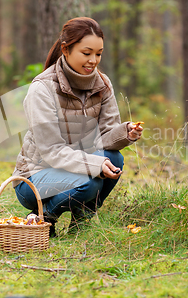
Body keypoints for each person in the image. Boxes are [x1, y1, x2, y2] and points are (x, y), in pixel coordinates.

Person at [12, 17, 143, 236]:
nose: (93, 60)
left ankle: (81, 225)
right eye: (86, 53)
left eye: (98, 54)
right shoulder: (42, 89)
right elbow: (52, 151)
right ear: (66, 49)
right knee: (90, 183)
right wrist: (95, 164)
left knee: (115, 159)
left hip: (77, 166)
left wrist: (125, 132)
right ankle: (45, 218)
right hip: (35, 177)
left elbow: (106, 135)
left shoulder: (102, 83)